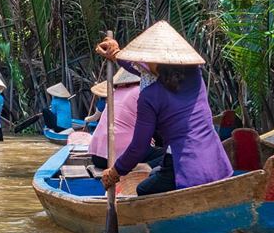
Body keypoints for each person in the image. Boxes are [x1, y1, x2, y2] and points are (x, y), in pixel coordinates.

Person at [96, 21, 233, 196]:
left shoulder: (149, 95)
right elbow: (147, 71)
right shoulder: (194, 75)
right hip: (216, 162)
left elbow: (138, 147)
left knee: (143, 189)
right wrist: (116, 54)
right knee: (154, 173)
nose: (140, 62)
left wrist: (115, 172)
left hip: (184, 168)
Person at [87, 68, 164, 169]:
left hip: (98, 157)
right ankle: (143, 168)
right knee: (172, 155)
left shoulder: (115, 92)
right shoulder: (141, 92)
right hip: (121, 157)